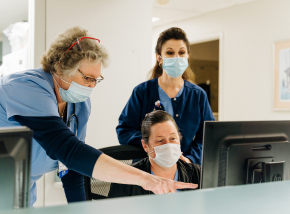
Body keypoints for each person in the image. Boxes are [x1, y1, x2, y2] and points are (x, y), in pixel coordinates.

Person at [0, 27, 197, 207]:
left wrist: (80, 210)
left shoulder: (79, 105)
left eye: (97, 80)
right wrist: (146, 179)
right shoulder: (26, 89)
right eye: (87, 78)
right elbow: (68, 150)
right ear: (60, 67)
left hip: (20, 192)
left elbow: (72, 167)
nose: (92, 86)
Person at [116, 27, 215, 165]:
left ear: (187, 56)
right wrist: (154, 144)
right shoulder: (142, 92)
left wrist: (190, 159)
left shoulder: (197, 95)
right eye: (170, 52)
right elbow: (124, 130)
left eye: (181, 52)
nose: (177, 57)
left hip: (184, 169)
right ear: (159, 58)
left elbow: (208, 137)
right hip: (147, 169)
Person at [109, 110, 200, 198]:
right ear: (145, 146)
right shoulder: (125, 180)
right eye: (160, 141)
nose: (168, 146)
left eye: (172, 138)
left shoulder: (198, 174)